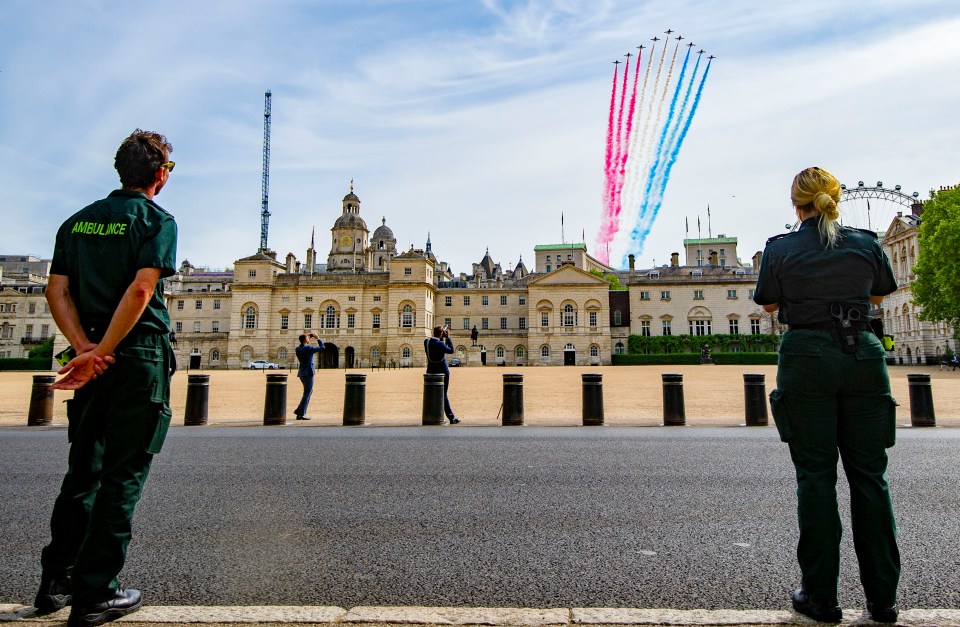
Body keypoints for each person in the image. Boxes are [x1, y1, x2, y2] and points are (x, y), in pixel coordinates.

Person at [36, 130, 178, 627]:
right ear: (160, 174)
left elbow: (57, 291)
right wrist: (108, 352)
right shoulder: (156, 220)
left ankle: (56, 579)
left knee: (83, 470)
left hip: (90, 354)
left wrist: (84, 350)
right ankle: (96, 591)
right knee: (123, 474)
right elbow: (142, 292)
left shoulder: (76, 222)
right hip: (135, 358)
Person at [754, 166, 900, 624]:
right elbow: (878, 296)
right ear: (835, 198)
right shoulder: (866, 242)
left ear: (795, 204)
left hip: (807, 357)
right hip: (862, 355)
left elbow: (770, 304)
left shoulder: (781, 249)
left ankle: (821, 596)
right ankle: (883, 600)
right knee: (870, 479)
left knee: (815, 478)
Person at [425, 325, 458, 423]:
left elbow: (433, 345)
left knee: (430, 394)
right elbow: (451, 350)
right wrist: (448, 338)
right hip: (442, 371)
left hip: (430, 370)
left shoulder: (426, 342)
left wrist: (441, 336)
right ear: (441, 334)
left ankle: (431, 415)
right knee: (443, 394)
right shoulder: (440, 344)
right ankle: (451, 417)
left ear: (432, 332)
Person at [294, 332, 325, 420]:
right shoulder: (308, 348)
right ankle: (301, 414)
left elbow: (303, 342)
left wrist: (307, 337)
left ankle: (299, 410)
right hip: (308, 372)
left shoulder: (298, 348)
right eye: (307, 338)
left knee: (307, 392)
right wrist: (318, 338)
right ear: (305, 340)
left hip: (302, 373)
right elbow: (322, 347)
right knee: (307, 393)